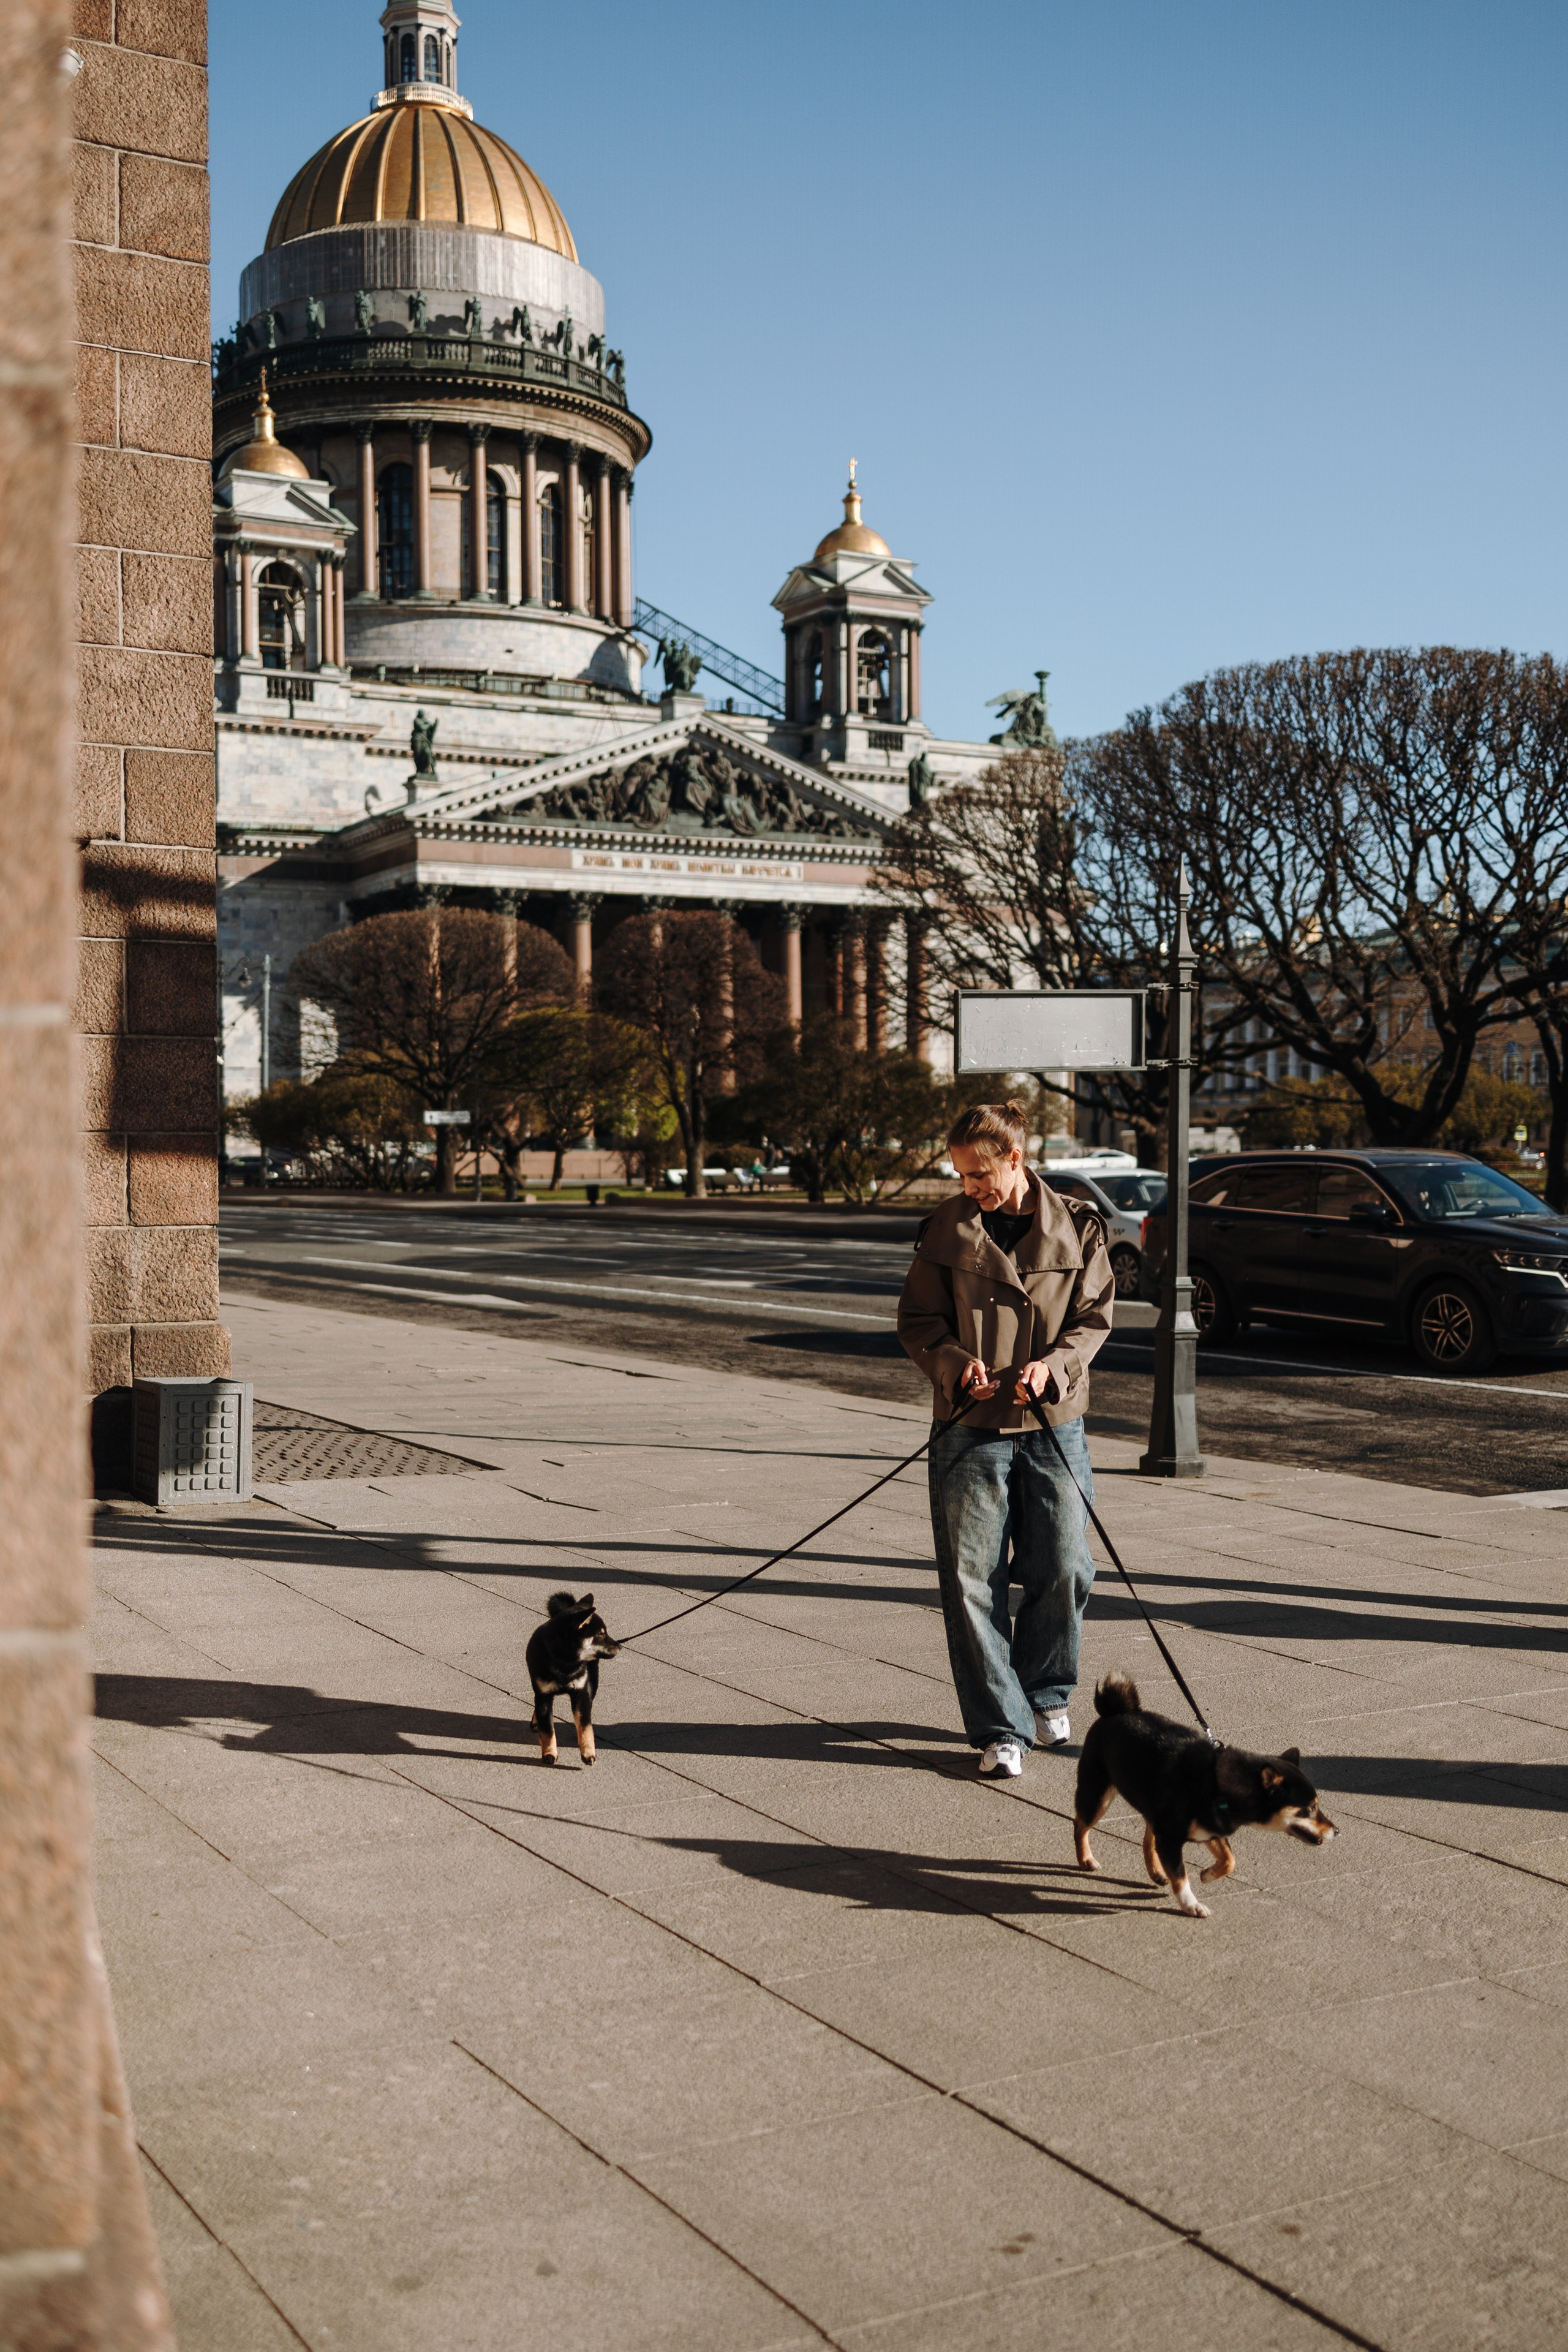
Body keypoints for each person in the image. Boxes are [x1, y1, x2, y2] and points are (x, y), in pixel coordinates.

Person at [897, 1101, 1115, 1779]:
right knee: (972, 1582)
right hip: (970, 1426)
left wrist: (1052, 1368)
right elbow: (918, 1320)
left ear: (1015, 1158)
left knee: (1065, 1566)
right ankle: (1001, 1726)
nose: (970, 1187)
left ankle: (1046, 1691)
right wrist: (951, 1362)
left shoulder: (1077, 1226)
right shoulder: (942, 1230)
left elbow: (1093, 1317)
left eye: (980, 1174)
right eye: (961, 1175)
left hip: (1054, 1424)